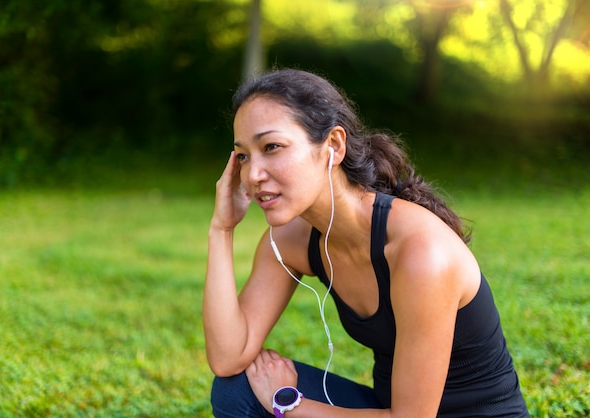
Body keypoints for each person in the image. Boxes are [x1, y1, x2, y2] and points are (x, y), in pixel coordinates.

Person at [204, 68, 529, 417]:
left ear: (334, 146)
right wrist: (222, 230)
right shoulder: (291, 241)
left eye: (272, 147)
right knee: (236, 390)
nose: (253, 175)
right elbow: (228, 357)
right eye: (243, 155)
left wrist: (289, 403)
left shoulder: (420, 251)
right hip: (387, 410)